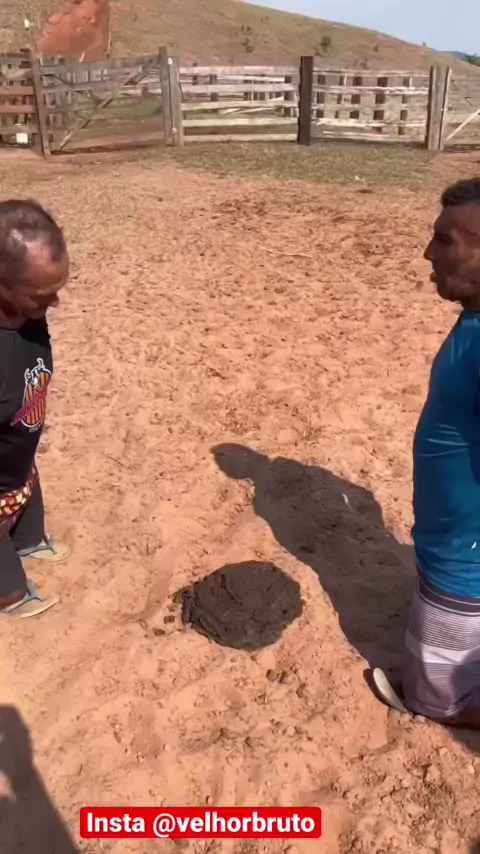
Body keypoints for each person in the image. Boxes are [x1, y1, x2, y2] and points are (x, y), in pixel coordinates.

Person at [373, 178, 480, 728]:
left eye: (446, 241)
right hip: (453, 549)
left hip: (465, 565)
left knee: (436, 701)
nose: (427, 253)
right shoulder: (474, 316)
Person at [0, 200, 70, 618]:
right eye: (41, 296)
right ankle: (9, 595)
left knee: (27, 482)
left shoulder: (29, 317)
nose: (54, 303)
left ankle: (27, 540)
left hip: (18, 452)